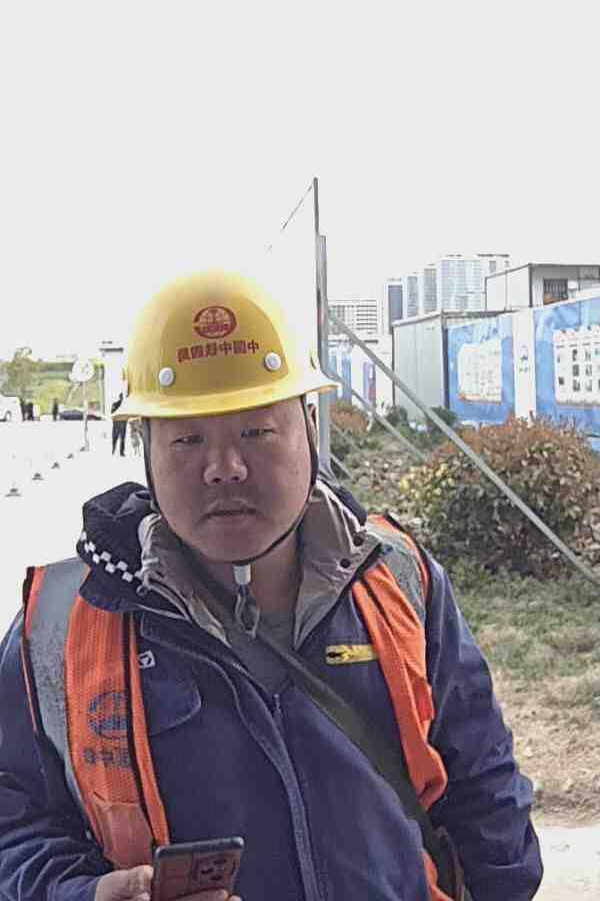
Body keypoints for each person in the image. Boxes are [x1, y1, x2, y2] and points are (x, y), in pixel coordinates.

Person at [0, 270, 543, 901]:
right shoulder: (63, 627)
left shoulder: (397, 578)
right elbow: (14, 820)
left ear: (309, 426)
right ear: (145, 447)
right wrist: (85, 894)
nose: (224, 468)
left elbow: (484, 787)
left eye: (255, 431)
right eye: (188, 439)